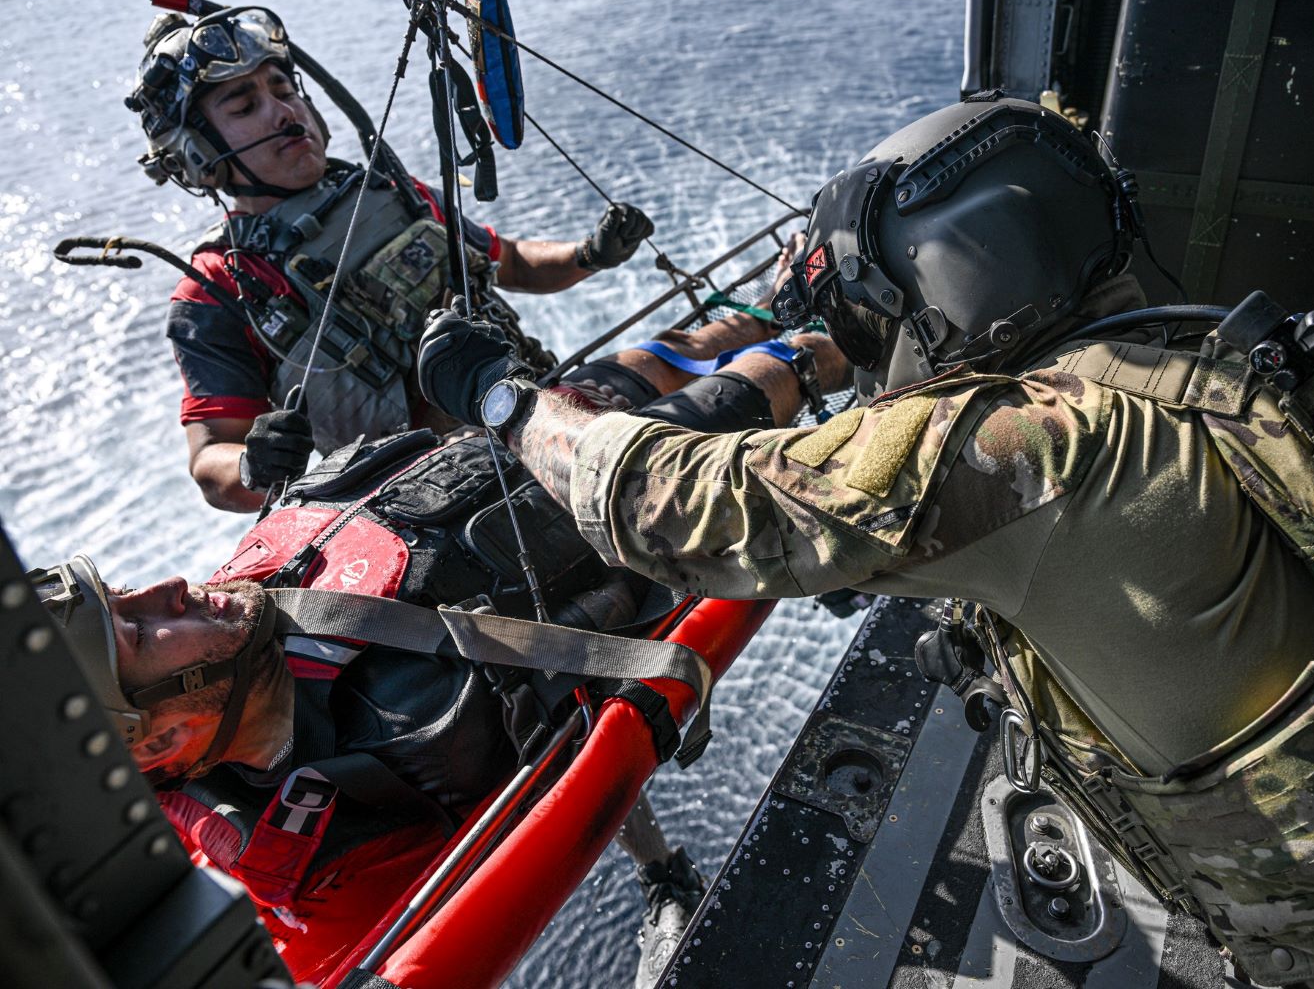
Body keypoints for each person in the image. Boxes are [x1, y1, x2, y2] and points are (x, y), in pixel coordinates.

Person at [424, 93, 1314, 989]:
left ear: (925, 288)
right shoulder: (1210, 358)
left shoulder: (1034, 442)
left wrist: (501, 398)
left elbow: (665, 500)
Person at [34, 298, 848, 987]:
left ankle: (768, 312)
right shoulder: (352, 791)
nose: (166, 587)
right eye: (137, 628)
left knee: (660, 356)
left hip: (505, 445)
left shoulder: (223, 632)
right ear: (167, 733)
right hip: (612, 503)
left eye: (125, 592)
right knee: (763, 384)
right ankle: (846, 338)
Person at [127, 6, 662, 512]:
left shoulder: (392, 193)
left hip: (539, 407)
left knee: (690, 349)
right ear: (196, 155)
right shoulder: (218, 287)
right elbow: (210, 461)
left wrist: (590, 254)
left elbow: (513, 262)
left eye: (284, 88)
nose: (284, 111)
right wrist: (252, 462)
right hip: (440, 495)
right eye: (245, 106)